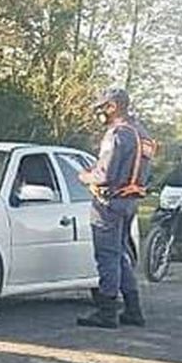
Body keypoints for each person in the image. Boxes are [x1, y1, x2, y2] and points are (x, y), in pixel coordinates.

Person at [76, 88, 155, 328]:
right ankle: (133, 309)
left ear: (113, 106)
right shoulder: (142, 134)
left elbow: (104, 174)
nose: (99, 113)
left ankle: (107, 311)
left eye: (102, 108)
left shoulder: (117, 134)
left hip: (108, 203)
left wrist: (84, 176)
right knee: (120, 254)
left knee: (107, 256)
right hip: (130, 201)